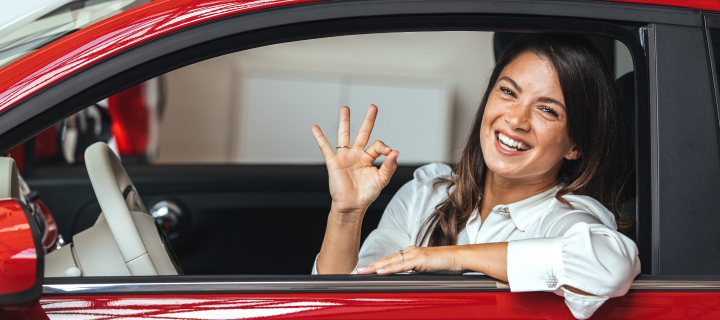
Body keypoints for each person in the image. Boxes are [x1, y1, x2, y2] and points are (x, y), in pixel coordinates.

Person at [309, 34, 640, 319]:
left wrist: (450, 258)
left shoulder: (565, 219)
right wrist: (347, 213)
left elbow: (610, 269)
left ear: (575, 146)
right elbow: (346, 300)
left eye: (548, 110)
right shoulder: (428, 193)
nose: (516, 119)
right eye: (508, 92)